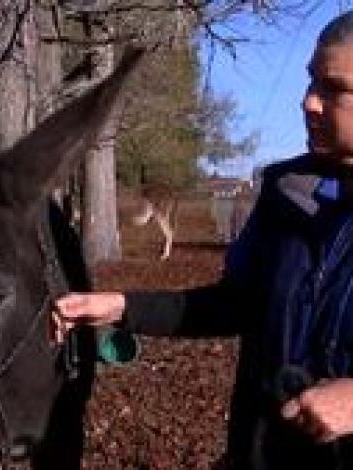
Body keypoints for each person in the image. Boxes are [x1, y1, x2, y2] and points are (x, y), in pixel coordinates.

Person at [55, 10, 353, 470]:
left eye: (335, 89)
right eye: (311, 82)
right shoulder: (286, 194)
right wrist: (121, 306)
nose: (309, 102)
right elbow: (234, 304)